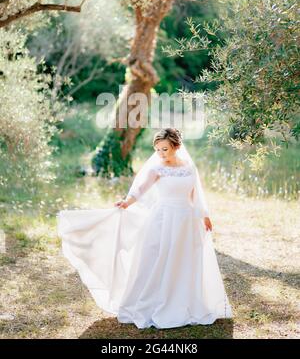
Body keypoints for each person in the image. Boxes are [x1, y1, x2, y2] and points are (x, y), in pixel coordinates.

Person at [57, 128, 232, 329]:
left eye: (164, 149)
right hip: (163, 218)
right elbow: (140, 189)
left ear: (177, 146)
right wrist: (126, 202)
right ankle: (154, 301)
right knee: (158, 258)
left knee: (183, 259)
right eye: (157, 149)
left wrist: (204, 216)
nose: (161, 153)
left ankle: (183, 301)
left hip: (186, 219)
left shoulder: (189, 168)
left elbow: (195, 195)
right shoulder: (157, 168)